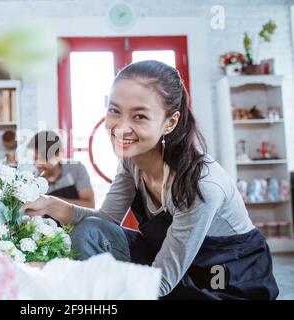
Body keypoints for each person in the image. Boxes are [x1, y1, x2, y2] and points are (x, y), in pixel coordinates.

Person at [22, 60, 279, 300]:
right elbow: (104, 222)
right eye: (114, 110)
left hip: (222, 275)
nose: (121, 127)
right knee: (90, 231)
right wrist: (49, 205)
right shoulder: (131, 161)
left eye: (139, 116)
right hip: (165, 258)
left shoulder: (200, 186)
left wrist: (56, 271)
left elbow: (162, 283)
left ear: (170, 122)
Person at [27, 130, 94, 208]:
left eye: (43, 159)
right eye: (35, 159)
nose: (37, 164)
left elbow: (89, 205)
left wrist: (50, 201)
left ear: (58, 155)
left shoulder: (76, 168)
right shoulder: (32, 181)